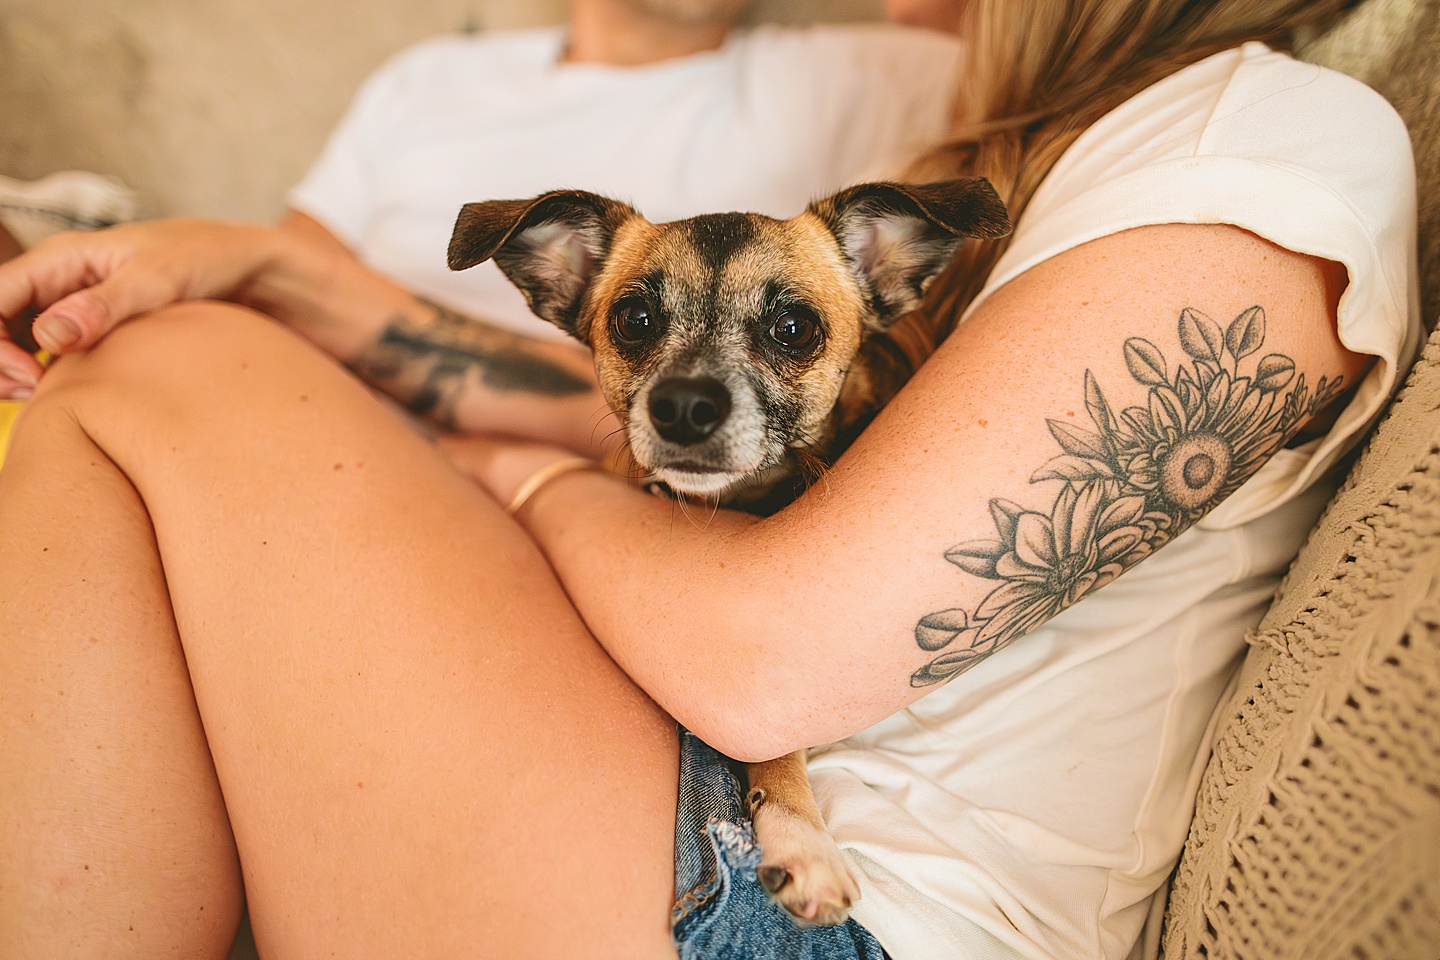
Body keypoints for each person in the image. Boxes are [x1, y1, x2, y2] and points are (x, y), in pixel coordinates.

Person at [0, 1, 1419, 959]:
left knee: (163, 375)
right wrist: (296, 274)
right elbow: (680, 421)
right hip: (711, 822)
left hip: (825, 918)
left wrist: (524, 485)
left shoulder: (1260, 144)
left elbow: (766, 662)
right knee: (140, 380)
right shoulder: (1051, 156)